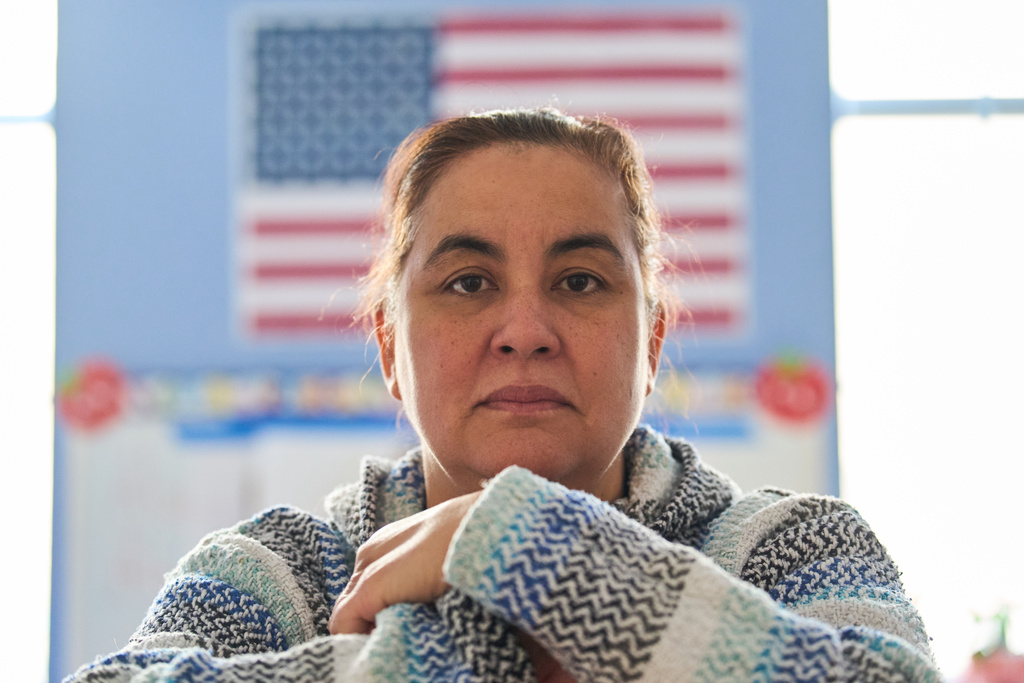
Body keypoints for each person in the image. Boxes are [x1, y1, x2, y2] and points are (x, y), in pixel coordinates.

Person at [67, 108, 939, 682]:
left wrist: (529, 548)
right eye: (468, 283)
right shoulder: (282, 570)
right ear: (390, 348)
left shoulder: (784, 547)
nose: (525, 329)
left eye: (581, 280)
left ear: (652, 342)